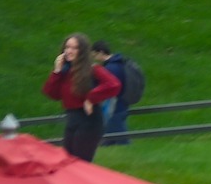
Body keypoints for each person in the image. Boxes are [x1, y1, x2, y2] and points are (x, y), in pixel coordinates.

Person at [42, 32, 120, 162]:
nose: (69, 51)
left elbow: (114, 84)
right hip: (72, 118)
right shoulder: (65, 72)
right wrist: (56, 72)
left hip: (88, 119)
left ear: (82, 51)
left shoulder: (92, 69)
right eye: (67, 47)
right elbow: (51, 93)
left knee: (80, 162)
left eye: (74, 48)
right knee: (67, 160)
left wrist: (91, 98)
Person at [91, 40, 143, 145]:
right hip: (123, 101)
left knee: (119, 134)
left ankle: (123, 148)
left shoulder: (110, 68)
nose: (94, 58)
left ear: (101, 52)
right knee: (112, 132)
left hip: (115, 104)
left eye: (95, 55)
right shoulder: (119, 64)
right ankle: (108, 146)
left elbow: (107, 87)